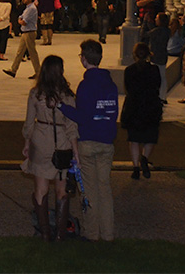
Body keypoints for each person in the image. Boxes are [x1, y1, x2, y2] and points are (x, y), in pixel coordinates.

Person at [59, 39, 118, 242]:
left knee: (90, 190)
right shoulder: (110, 84)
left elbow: (82, 116)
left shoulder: (85, 85)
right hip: (107, 141)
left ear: (84, 59)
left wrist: (62, 107)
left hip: (89, 141)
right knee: (105, 188)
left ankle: (92, 232)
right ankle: (108, 233)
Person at [21, 55, 79, 242]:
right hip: (62, 142)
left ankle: (45, 232)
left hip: (41, 140)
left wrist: (27, 143)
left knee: (41, 188)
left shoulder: (36, 94)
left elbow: (29, 123)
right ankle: (61, 234)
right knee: (61, 189)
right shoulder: (68, 96)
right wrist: (75, 149)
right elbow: (72, 126)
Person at [121, 42, 163, 180]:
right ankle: (144, 158)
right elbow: (158, 85)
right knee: (150, 137)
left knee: (134, 139)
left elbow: (128, 88)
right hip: (151, 105)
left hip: (134, 106)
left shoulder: (129, 70)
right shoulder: (154, 70)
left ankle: (135, 167)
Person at [4, 0, 39, 79]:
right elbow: (20, 17)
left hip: (29, 32)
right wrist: (20, 20)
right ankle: (13, 70)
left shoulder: (31, 9)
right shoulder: (28, 8)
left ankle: (38, 72)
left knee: (32, 53)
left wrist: (20, 21)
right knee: (20, 52)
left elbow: (23, 21)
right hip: (26, 32)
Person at [147, 12, 171, 103]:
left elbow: (147, 34)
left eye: (157, 18)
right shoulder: (166, 31)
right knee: (163, 76)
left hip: (156, 55)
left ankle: (158, 96)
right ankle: (163, 96)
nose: (155, 20)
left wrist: (146, 23)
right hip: (163, 55)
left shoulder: (157, 31)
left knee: (157, 76)